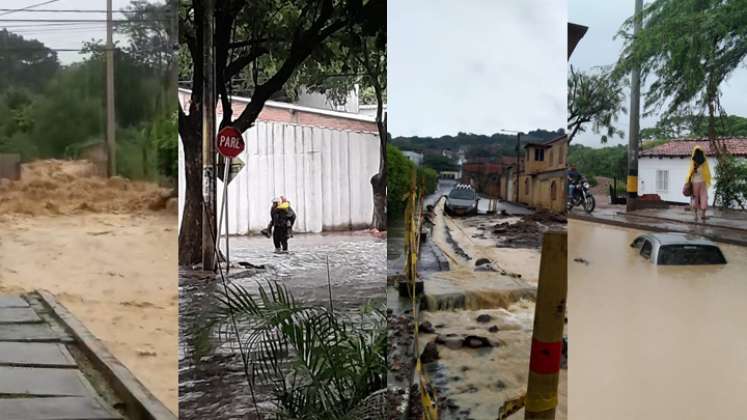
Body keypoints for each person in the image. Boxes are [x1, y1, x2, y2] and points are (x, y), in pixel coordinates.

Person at [687, 146, 711, 222]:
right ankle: (703, 215)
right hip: (703, 182)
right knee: (704, 197)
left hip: (695, 183)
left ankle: (695, 215)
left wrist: (687, 181)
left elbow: (690, 173)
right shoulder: (704, 161)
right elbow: (707, 172)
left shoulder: (693, 162)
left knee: (695, 198)